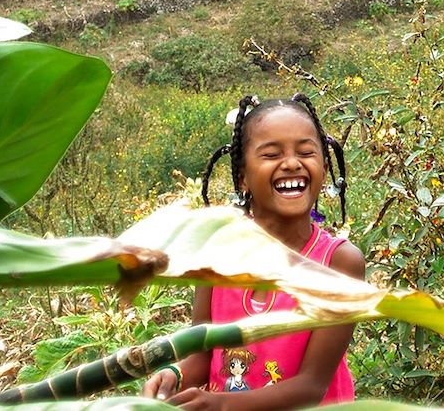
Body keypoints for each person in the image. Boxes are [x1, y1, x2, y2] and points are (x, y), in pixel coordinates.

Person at [142, 93, 365, 410]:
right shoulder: (216, 252)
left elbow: (312, 386)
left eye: (306, 152)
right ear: (242, 176)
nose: (291, 163)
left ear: (325, 169)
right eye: (271, 154)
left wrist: (218, 405)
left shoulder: (339, 262)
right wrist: (173, 375)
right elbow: (203, 353)